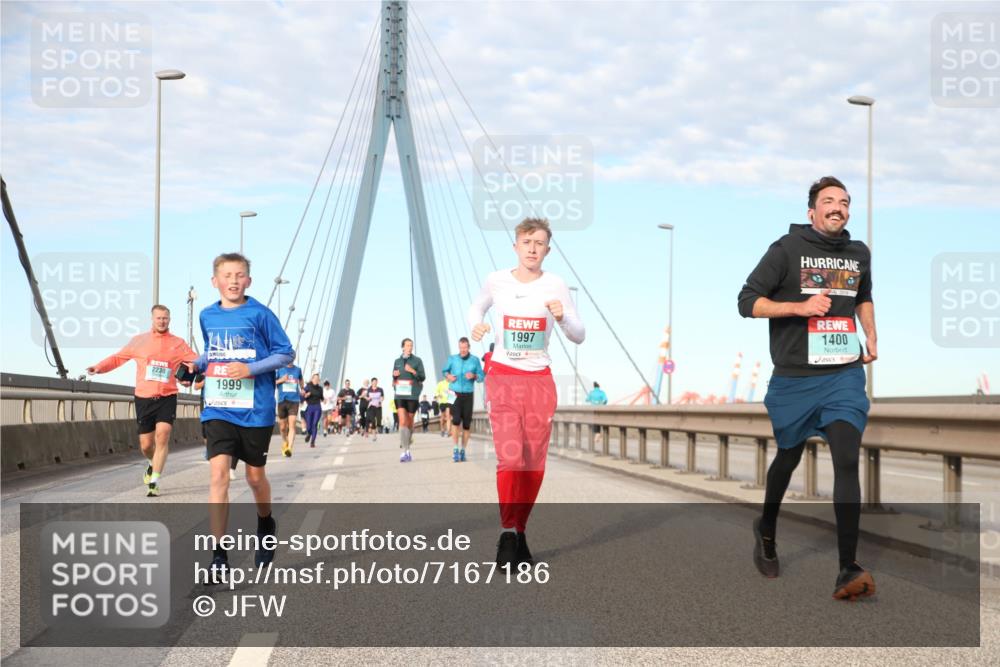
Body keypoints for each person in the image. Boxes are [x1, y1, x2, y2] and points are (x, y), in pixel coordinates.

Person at [738, 176, 877, 601]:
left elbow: (863, 296)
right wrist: (798, 307)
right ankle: (766, 529)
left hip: (843, 375)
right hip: (795, 379)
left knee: (846, 459)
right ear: (811, 211)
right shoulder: (786, 250)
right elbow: (747, 301)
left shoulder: (858, 254)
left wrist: (870, 334)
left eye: (845, 202)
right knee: (788, 457)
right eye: (829, 201)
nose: (839, 207)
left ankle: (847, 567)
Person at [469, 217, 585, 568]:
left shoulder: (556, 284)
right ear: (516, 246)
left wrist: (563, 317)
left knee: (533, 465)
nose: (533, 248)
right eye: (527, 242)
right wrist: (474, 324)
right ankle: (507, 533)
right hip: (503, 376)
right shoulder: (497, 281)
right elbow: (477, 305)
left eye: (539, 243)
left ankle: (520, 530)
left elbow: (579, 334)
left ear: (548, 250)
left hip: (539, 381)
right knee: (511, 458)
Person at [181, 252, 293, 580]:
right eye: (227, 275)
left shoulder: (261, 314)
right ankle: (218, 555)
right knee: (218, 477)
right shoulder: (206, 316)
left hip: (256, 409)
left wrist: (250, 369)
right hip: (218, 406)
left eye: (239, 275)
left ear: (249, 281)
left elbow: (285, 353)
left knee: (255, 478)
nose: (233, 280)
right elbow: (214, 352)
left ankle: (265, 522)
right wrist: (196, 366)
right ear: (214, 281)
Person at [87, 305, 197, 497]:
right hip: (144, 398)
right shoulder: (139, 341)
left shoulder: (178, 343)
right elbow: (118, 358)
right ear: (152, 319)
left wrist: (193, 370)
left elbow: (197, 360)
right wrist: (99, 367)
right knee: (146, 445)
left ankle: (154, 481)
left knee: (163, 435)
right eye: (159, 318)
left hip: (167, 396)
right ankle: (151, 463)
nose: (162, 321)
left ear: (169, 320)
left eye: (165, 318)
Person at [442, 336, 485, 462]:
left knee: (466, 424)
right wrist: (448, 376)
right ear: (459, 347)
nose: (463, 350)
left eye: (465, 348)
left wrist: (475, 375)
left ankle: (463, 450)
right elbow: (444, 371)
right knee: (455, 420)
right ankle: (455, 449)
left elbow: (482, 377)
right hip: (453, 392)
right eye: (461, 348)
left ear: (468, 347)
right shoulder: (452, 359)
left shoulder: (475, 360)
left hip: (468, 393)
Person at [392, 338, 425, 462]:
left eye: (411, 345)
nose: (410, 347)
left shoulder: (417, 361)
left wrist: (412, 371)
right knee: (402, 421)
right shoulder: (397, 361)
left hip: (412, 395)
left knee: (409, 421)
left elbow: (422, 377)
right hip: (400, 394)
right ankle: (405, 451)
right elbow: (394, 376)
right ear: (403, 347)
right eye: (407, 345)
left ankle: (407, 442)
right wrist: (394, 377)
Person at [275, 358, 303, 457]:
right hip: (282, 401)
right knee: (282, 428)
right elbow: (273, 383)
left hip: (294, 401)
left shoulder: (298, 370)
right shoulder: (279, 369)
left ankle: (289, 448)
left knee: (292, 425)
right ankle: (284, 442)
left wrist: (302, 389)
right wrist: (282, 380)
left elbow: (301, 380)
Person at [302, 373, 324, 447]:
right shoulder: (308, 387)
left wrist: (324, 400)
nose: (316, 380)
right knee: (309, 425)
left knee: (314, 424)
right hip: (309, 407)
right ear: (312, 379)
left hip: (317, 407)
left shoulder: (320, 388)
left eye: (318, 379)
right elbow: (302, 398)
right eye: (315, 378)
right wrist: (306, 396)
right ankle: (309, 433)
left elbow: (321, 397)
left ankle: (312, 442)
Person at [585, 381, 609, 448]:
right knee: (599, 423)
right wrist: (601, 404)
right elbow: (605, 400)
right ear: (599, 386)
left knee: (594, 423)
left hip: (593, 410)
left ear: (594, 387)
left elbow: (586, 400)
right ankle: (598, 436)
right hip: (600, 410)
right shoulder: (602, 392)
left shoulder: (591, 393)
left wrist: (591, 399)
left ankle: (597, 435)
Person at [366, 377, 385, 441]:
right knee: (373, 421)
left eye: (376, 382)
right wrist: (367, 398)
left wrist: (380, 401)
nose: (374, 383)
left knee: (379, 420)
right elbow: (367, 397)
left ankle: (379, 427)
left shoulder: (380, 389)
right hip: (371, 407)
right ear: (371, 383)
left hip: (378, 406)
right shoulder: (369, 389)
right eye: (373, 382)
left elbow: (382, 397)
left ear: (377, 382)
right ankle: (374, 435)